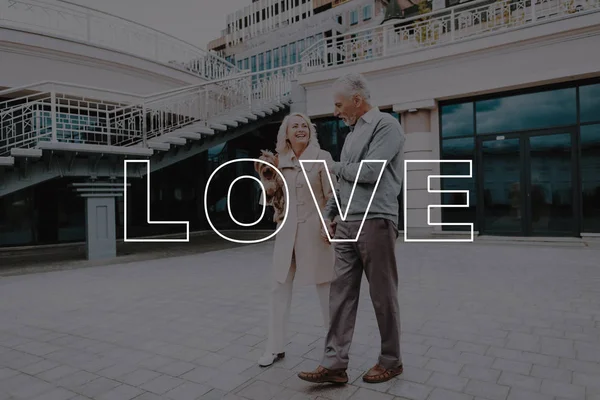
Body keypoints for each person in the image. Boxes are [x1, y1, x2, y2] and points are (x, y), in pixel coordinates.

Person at [298, 73, 406, 384]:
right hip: (346, 222)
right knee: (341, 294)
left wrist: (331, 167)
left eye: (338, 104)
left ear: (357, 101)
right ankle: (334, 364)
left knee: (382, 294)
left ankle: (392, 360)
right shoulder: (353, 132)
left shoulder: (387, 126)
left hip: (375, 219)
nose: (335, 112)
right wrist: (330, 212)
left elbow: (370, 172)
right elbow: (345, 183)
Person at [256, 112, 338, 367]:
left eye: (305, 126)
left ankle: (334, 349)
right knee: (278, 289)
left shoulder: (322, 158)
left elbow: (333, 197)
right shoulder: (279, 162)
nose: (300, 129)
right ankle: (274, 347)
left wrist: (330, 223)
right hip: (285, 235)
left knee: (326, 291)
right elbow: (270, 202)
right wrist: (265, 179)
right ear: (287, 134)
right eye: (295, 126)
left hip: (317, 234)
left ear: (310, 132)